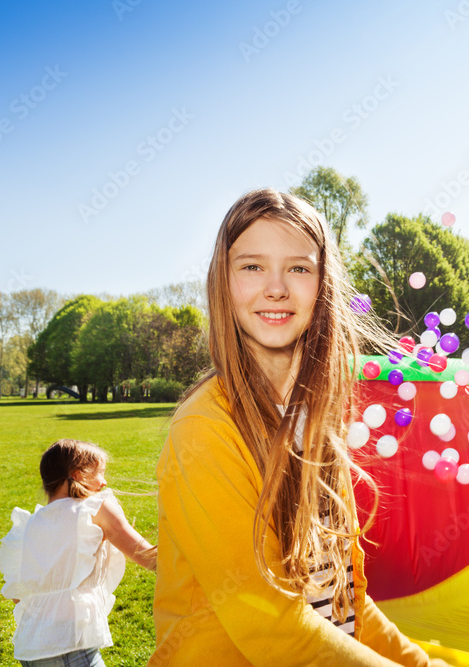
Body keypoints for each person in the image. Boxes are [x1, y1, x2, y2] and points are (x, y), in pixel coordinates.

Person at [151, 189, 442, 666]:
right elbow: (271, 624)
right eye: (251, 266)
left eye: (299, 268)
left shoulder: (316, 422)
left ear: (323, 284)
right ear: (223, 283)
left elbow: (345, 600)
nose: (276, 288)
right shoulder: (204, 429)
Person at [0, 439, 158, 667]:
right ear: (77, 475)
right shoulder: (94, 509)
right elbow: (147, 556)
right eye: (100, 473)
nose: (104, 483)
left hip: (30, 648)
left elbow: (17, 594)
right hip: (69, 646)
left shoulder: (29, 524)